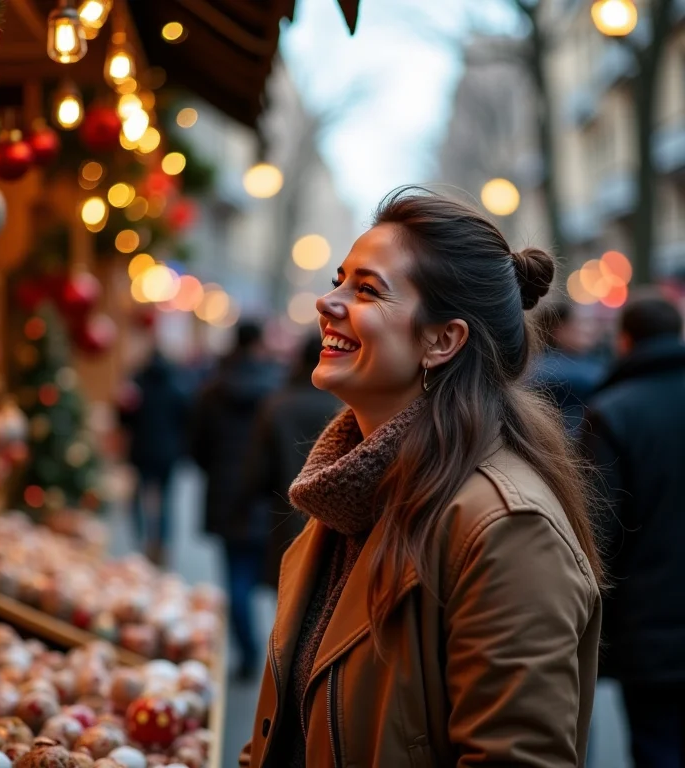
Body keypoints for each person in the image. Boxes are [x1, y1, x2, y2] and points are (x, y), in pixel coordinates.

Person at [240, 189, 602, 768]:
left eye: (366, 290)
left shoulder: (506, 528)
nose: (327, 304)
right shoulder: (350, 494)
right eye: (339, 280)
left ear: (442, 340)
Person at [582, 291, 685, 768]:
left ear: (625, 341)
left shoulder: (613, 413)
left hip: (651, 628)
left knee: (657, 747)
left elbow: (601, 529)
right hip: (656, 627)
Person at [191, 320, 283, 680]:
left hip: (227, 495)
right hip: (266, 497)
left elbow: (197, 446)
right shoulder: (274, 389)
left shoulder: (213, 389)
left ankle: (247, 653)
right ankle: (283, 658)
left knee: (237, 579)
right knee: (281, 579)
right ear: (259, 343)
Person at [238, 333, 341, 588]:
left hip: (287, 518)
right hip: (337, 524)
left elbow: (258, 471)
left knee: (289, 599)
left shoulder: (278, 405)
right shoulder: (346, 406)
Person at [119, 348, 190, 566]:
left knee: (138, 498)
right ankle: (161, 543)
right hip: (167, 453)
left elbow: (124, 419)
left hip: (141, 450)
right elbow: (185, 420)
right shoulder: (176, 387)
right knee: (166, 500)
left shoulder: (137, 387)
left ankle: (140, 541)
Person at [530, 300, 604, 437]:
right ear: (559, 329)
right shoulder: (545, 367)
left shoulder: (588, 361)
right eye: (581, 322)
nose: (589, 329)